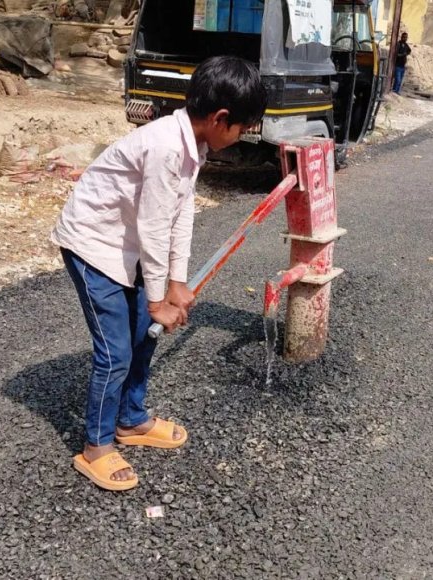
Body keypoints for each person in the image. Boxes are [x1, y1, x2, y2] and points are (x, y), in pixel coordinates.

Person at [50, 56, 267, 491]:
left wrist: (177, 283)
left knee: (142, 334)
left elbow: (180, 212)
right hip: (94, 245)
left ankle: (130, 421)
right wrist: (156, 299)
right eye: (242, 128)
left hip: (127, 244)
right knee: (115, 351)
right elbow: (152, 226)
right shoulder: (167, 146)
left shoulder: (193, 145)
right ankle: (95, 447)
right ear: (220, 118)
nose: (242, 136)